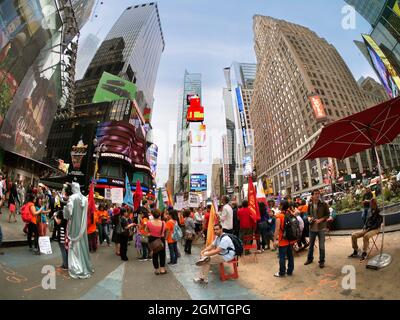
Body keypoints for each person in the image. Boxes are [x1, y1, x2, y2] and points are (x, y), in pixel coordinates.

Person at [63, 182, 94, 279]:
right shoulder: (85, 199)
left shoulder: (72, 198)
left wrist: (65, 210)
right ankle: (85, 266)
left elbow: (69, 212)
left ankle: (76, 268)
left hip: (74, 226)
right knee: (82, 245)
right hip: (82, 227)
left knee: (74, 246)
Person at [304, 189, 330, 269]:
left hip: (321, 228)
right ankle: (310, 259)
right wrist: (309, 218)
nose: (317, 195)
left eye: (318, 193)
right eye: (315, 194)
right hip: (312, 228)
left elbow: (327, 214)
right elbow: (308, 214)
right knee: (311, 245)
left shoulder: (324, 204)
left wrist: (321, 220)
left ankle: (321, 261)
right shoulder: (310, 204)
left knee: (321, 245)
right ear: (312, 195)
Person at [273, 200, 296, 277]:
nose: (278, 205)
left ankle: (282, 272)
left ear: (282, 206)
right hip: (290, 239)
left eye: (279, 204)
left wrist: (274, 240)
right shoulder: (290, 213)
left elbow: (277, 230)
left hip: (282, 240)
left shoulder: (279, 216)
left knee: (282, 257)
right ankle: (290, 271)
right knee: (290, 256)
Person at [146, 209, 166, 275]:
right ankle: (162, 269)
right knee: (162, 254)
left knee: (155, 255)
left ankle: (157, 270)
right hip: (161, 239)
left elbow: (147, 230)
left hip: (152, 239)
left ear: (152, 215)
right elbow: (164, 231)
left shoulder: (149, 222)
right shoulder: (163, 223)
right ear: (159, 215)